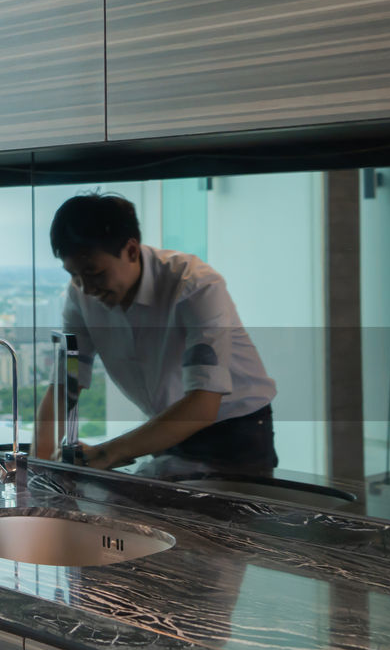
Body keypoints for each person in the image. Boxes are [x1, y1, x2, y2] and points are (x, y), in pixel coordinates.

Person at [33, 193, 278, 478]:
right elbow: (66, 384)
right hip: (166, 428)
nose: (85, 288)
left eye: (94, 272)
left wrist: (105, 453)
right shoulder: (80, 296)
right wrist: (36, 470)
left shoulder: (195, 286)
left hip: (236, 433)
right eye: (74, 274)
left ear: (132, 251)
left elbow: (204, 403)